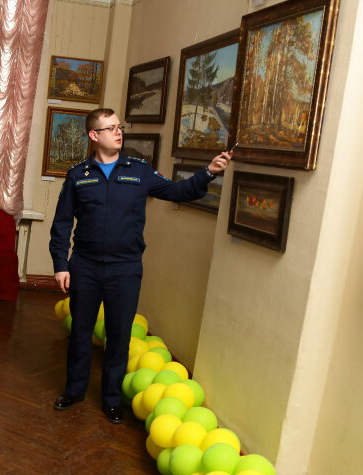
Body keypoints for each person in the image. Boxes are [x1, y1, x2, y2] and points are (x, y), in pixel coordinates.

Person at [49, 108, 231, 424]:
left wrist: (209, 173)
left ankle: (111, 400)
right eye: (110, 128)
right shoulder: (79, 174)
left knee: (119, 337)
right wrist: (60, 264)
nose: (118, 133)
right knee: (80, 332)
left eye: (120, 127)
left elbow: (178, 191)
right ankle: (74, 391)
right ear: (94, 135)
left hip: (125, 269)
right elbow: (62, 223)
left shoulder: (138, 170)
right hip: (86, 267)